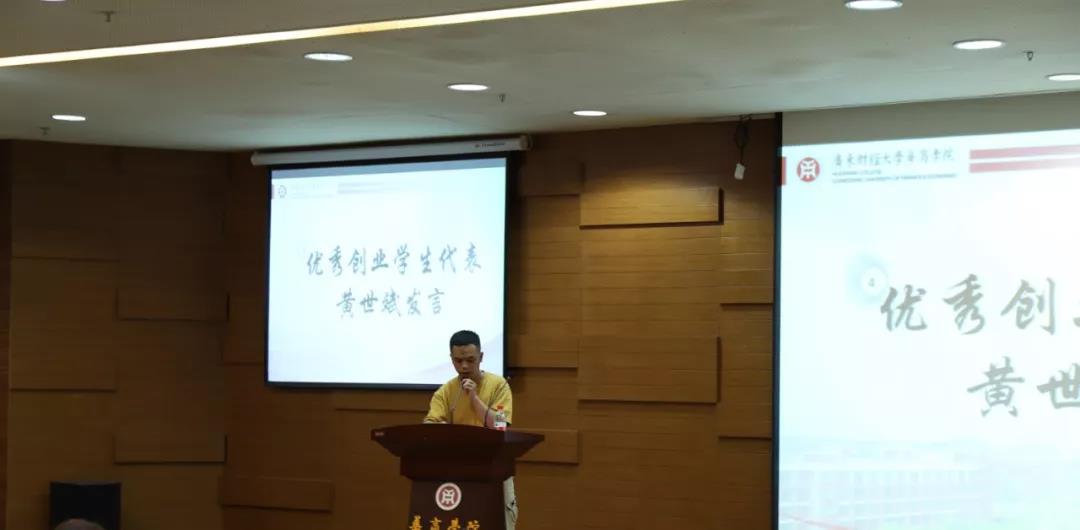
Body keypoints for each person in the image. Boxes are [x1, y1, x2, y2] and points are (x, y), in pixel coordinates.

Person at [424, 330, 517, 529]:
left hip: (494, 467)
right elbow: (430, 425)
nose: (464, 366)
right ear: (451, 359)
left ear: (481, 357)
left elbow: (500, 426)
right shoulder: (445, 392)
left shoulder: (499, 385)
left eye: (470, 360)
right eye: (458, 361)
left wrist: (474, 398)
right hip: (458, 469)